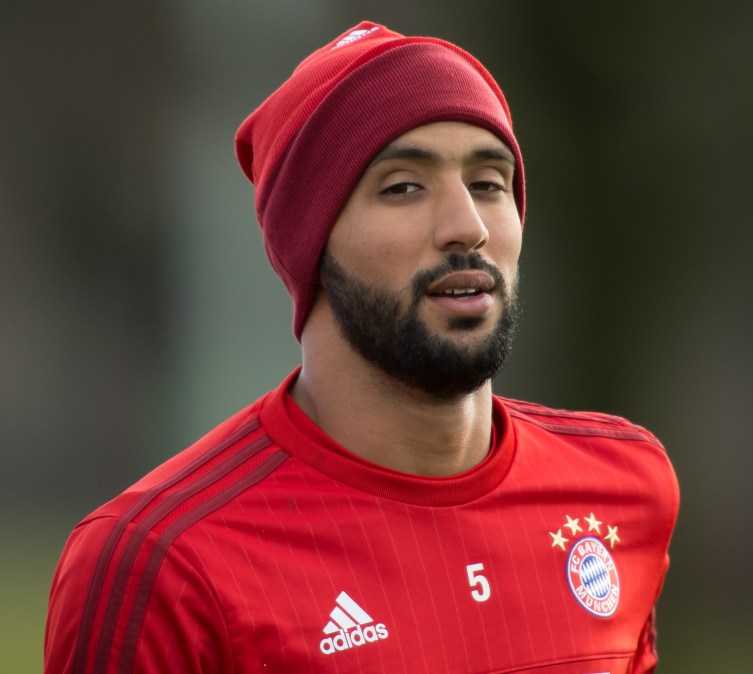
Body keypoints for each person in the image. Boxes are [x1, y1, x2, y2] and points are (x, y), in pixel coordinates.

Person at [44, 21, 680, 674]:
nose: (467, 227)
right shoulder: (161, 565)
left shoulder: (621, 486)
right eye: (403, 186)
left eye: (489, 182)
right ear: (311, 244)